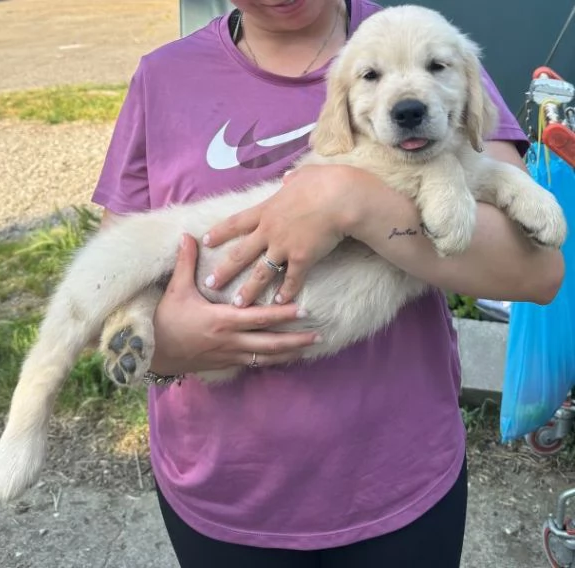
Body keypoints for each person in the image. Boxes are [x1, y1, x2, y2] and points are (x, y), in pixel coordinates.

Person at [92, 1, 564, 566]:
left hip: (397, 483)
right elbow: (114, 273)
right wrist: (167, 346)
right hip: (222, 490)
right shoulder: (163, 77)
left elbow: (536, 272)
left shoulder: (423, 43)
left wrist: (353, 203)